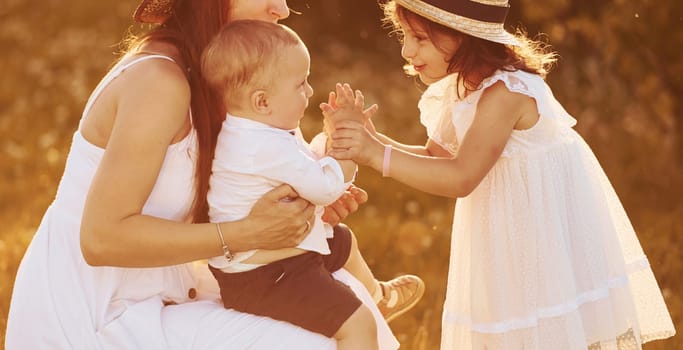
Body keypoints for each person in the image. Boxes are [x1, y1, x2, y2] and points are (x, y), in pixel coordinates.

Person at [4, 1, 399, 349]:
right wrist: (250, 232)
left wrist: (305, 209)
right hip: (97, 314)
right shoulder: (159, 83)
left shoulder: (237, 81)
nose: (281, 8)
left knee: (350, 297)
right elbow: (99, 239)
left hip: (168, 289)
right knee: (319, 341)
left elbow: (251, 183)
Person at [324, 0, 677, 349]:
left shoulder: (506, 92)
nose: (405, 49)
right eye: (404, 36)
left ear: (461, 35)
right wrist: (370, 140)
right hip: (505, 230)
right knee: (509, 323)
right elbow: (436, 157)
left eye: (419, 38)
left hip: (542, 233)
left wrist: (374, 153)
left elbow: (461, 176)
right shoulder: (461, 87)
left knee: (544, 322)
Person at [200, 20, 424, 349]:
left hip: (274, 260)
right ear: (262, 101)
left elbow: (304, 164)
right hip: (267, 277)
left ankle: (379, 295)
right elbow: (324, 188)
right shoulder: (263, 145)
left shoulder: (255, 130)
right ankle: (364, 326)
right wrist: (346, 150)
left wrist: (329, 139)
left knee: (343, 241)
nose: (309, 91)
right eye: (300, 84)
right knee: (358, 324)